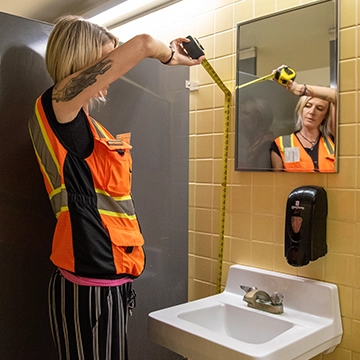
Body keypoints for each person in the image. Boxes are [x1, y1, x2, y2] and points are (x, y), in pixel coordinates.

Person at [28, 15, 204, 360]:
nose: (115, 71)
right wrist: (166, 54)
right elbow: (141, 43)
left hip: (108, 285)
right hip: (88, 286)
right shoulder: (56, 108)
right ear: (84, 61)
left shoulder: (90, 128)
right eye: (107, 59)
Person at [270, 74, 337, 172]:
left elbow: (337, 96)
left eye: (319, 108)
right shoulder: (281, 144)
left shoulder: (333, 140)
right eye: (308, 106)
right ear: (301, 109)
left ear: (326, 115)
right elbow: (276, 182)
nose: (312, 112)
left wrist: (299, 89)